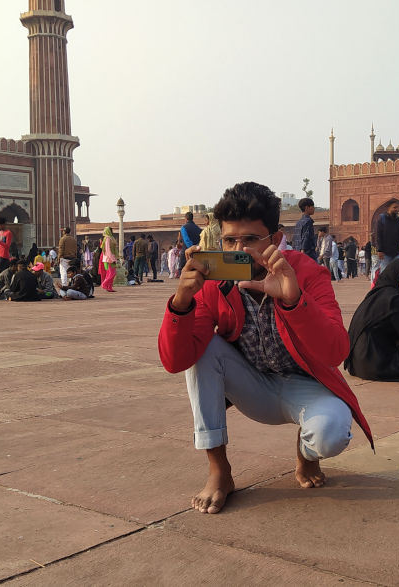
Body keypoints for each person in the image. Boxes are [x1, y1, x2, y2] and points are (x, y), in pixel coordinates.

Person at [158, 181, 372, 515]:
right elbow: (175, 360)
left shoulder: (306, 273)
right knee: (203, 352)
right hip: (253, 385)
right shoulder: (216, 284)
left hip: (305, 385)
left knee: (331, 433)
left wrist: (293, 299)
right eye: (230, 240)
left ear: (274, 239)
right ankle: (219, 471)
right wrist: (182, 303)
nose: (239, 248)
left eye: (250, 240)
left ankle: (306, 454)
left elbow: (335, 353)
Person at [375, 202, 399, 274]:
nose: (396, 209)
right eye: (394, 207)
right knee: (385, 272)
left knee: (398, 271)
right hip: (385, 252)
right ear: (388, 208)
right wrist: (380, 250)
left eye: (397, 207)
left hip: (396, 251)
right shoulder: (382, 218)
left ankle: (394, 285)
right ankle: (384, 285)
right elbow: (378, 235)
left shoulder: (397, 219)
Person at [292, 197, 318, 262]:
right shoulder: (308, 221)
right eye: (312, 206)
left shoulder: (299, 222)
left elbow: (295, 238)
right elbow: (306, 237)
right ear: (306, 208)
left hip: (297, 252)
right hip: (308, 253)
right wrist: (303, 251)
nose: (314, 208)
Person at [99, 226, 118, 292]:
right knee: (112, 273)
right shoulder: (107, 239)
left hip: (111, 257)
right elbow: (108, 250)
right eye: (111, 230)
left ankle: (109, 287)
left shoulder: (111, 238)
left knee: (110, 273)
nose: (112, 232)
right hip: (109, 258)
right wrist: (112, 258)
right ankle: (104, 284)